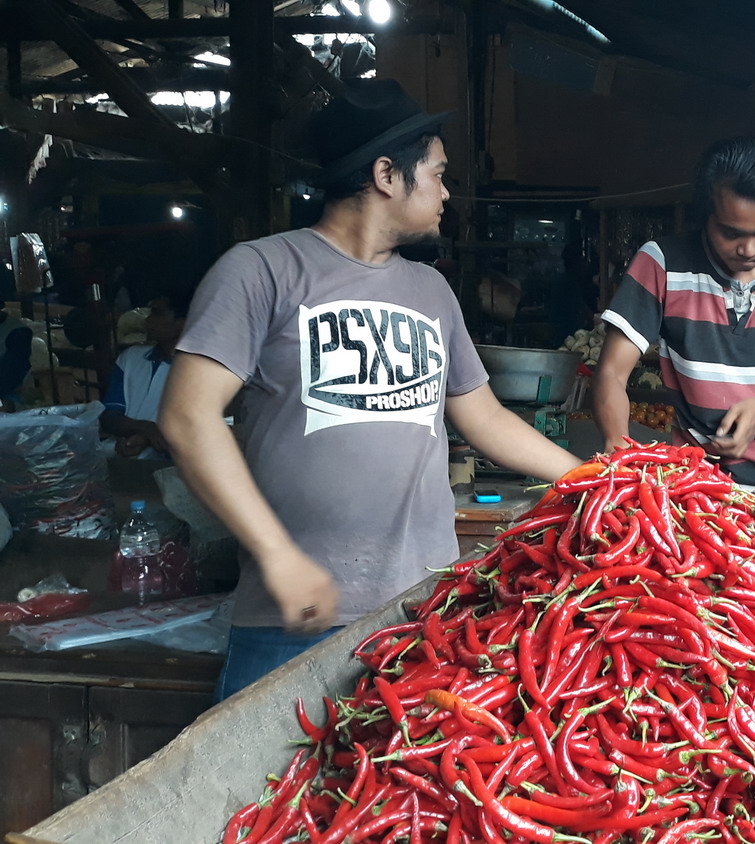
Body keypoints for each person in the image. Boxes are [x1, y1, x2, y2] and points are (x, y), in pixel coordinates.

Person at [159, 80, 581, 700]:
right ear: (387, 174)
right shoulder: (261, 270)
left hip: (423, 616)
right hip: (293, 619)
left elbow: (484, 418)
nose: (446, 191)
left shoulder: (432, 291)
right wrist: (277, 556)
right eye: (437, 174)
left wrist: (598, 479)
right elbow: (187, 417)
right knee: (264, 794)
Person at [595, 135, 755, 514]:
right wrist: (616, 452)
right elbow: (610, 374)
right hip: (692, 489)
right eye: (731, 233)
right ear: (705, 216)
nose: (749, 249)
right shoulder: (662, 264)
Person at [102, 292, 186, 458]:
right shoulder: (131, 358)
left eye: (158, 313)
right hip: (124, 453)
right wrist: (145, 429)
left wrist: (146, 437)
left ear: (183, 322)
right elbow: (109, 416)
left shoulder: (200, 371)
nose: (148, 320)